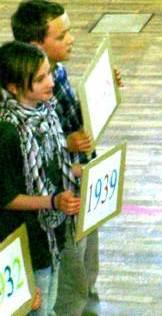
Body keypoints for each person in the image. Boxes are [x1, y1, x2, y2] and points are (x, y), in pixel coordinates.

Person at [10, 0, 117, 316]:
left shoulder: (57, 74)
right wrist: (69, 147)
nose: (70, 40)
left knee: (87, 258)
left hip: (79, 179)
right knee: (70, 272)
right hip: (60, 200)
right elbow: (36, 161)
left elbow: (74, 119)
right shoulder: (26, 107)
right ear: (35, 45)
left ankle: (87, 304)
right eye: (61, 36)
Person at [0, 41, 81, 316]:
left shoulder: (47, 111)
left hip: (51, 234)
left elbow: (52, 163)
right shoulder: (8, 133)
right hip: (29, 241)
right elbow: (7, 198)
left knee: (48, 306)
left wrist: (76, 172)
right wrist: (53, 201)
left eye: (48, 73)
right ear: (13, 87)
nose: (50, 82)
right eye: (39, 79)